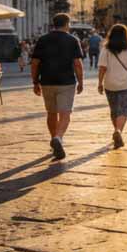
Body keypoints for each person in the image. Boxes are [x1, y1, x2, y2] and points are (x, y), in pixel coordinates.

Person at [31, 13, 84, 160]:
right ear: (67, 24)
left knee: (51, 113)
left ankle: (54, 137)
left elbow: (35, 63)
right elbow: (77, 64)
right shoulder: (73, 40)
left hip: (47, 81)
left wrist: (35, 82)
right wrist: (81, 82)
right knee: (65, 114)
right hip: (66, 82)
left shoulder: (42, 40)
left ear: (53, 24)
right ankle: (59, 138)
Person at [98, 24, 127, 149]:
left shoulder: (106, 48)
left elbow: (102, 68)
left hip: (110, 83)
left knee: (114, 110)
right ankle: (118, 131)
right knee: (124, 109)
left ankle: (117, 130)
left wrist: (100, 83)